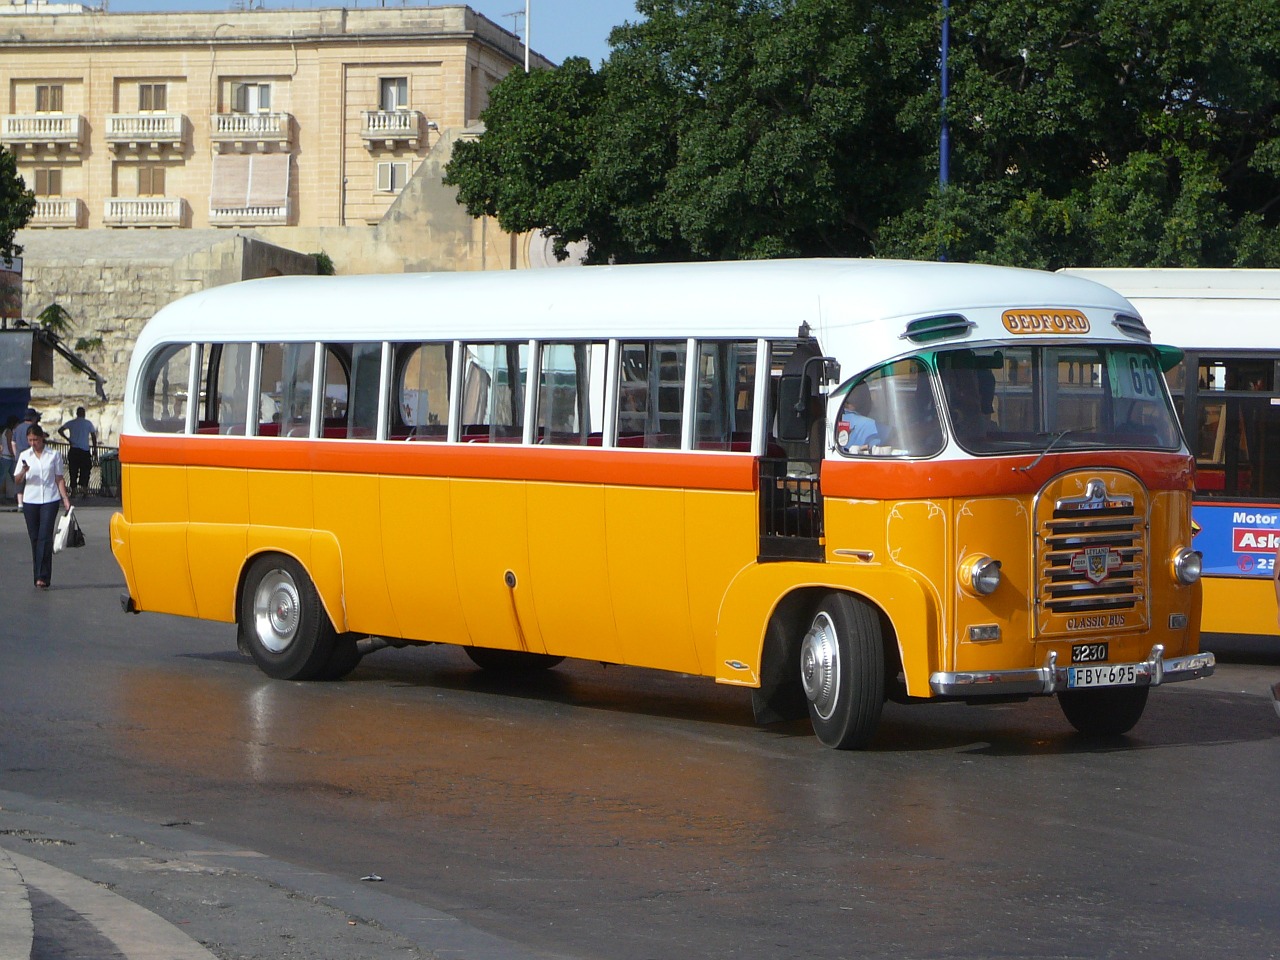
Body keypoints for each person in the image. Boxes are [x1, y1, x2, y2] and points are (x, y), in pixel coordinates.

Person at [13, 423, 72, 589]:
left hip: (50, 499)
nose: (33, 443)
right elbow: (17, 480)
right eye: (30, 440)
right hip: (31, 500)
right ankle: (37, 574)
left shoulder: (53, 455)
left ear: (42, 438)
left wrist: (65, 499)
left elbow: (59, 478)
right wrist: (24, 471)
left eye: (36, 440)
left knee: (45, 538)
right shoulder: (25, 455)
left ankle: (43, 577)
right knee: (35, 539)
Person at [58, 406, 98, 496]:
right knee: (85, 470)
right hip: (85, 450)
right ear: (84, 414)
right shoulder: (88, 423)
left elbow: (60, 430)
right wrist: (95, 449)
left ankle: (73, 490)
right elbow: (93, 436)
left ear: (76, 413)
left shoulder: (72, 423)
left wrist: (67, 439)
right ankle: (84, 489)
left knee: (73, 470)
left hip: (74, 449)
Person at [11, 408, 39, 507]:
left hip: (19, 456)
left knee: (20, 478)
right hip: (32, 455)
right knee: (32, 477)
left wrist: (16, 455)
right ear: (33, 418)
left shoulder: (18, 428)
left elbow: (13, 443)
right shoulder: (34, 427)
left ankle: (20, 503)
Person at [1, 415, 16, 503]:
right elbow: (9, 444)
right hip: (8, 457)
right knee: (13, 476)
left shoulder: (4, 431)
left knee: (11, 476)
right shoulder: (9, 432)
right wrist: (13, 454)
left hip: (5, 457)